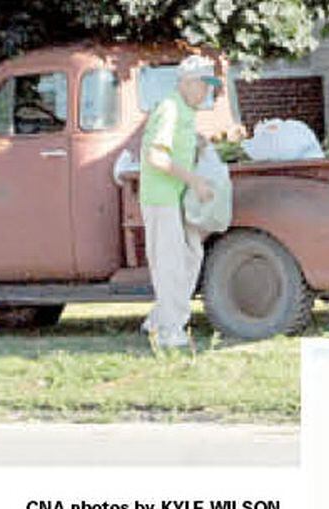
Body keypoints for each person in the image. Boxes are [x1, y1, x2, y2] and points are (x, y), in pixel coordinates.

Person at [139, 55, 221, 350]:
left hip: (176, 198)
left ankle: (161, 317)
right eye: (202, 84)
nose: (206, 91)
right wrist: (194, 180)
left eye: (209, 85)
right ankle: (169, 331)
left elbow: (179, 143)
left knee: (191, 255)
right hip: (161, 199)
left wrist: (199, 143)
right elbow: (156, 157)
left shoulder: (185, 111)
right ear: (186, 83)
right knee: (170, 264)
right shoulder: (170, 109)